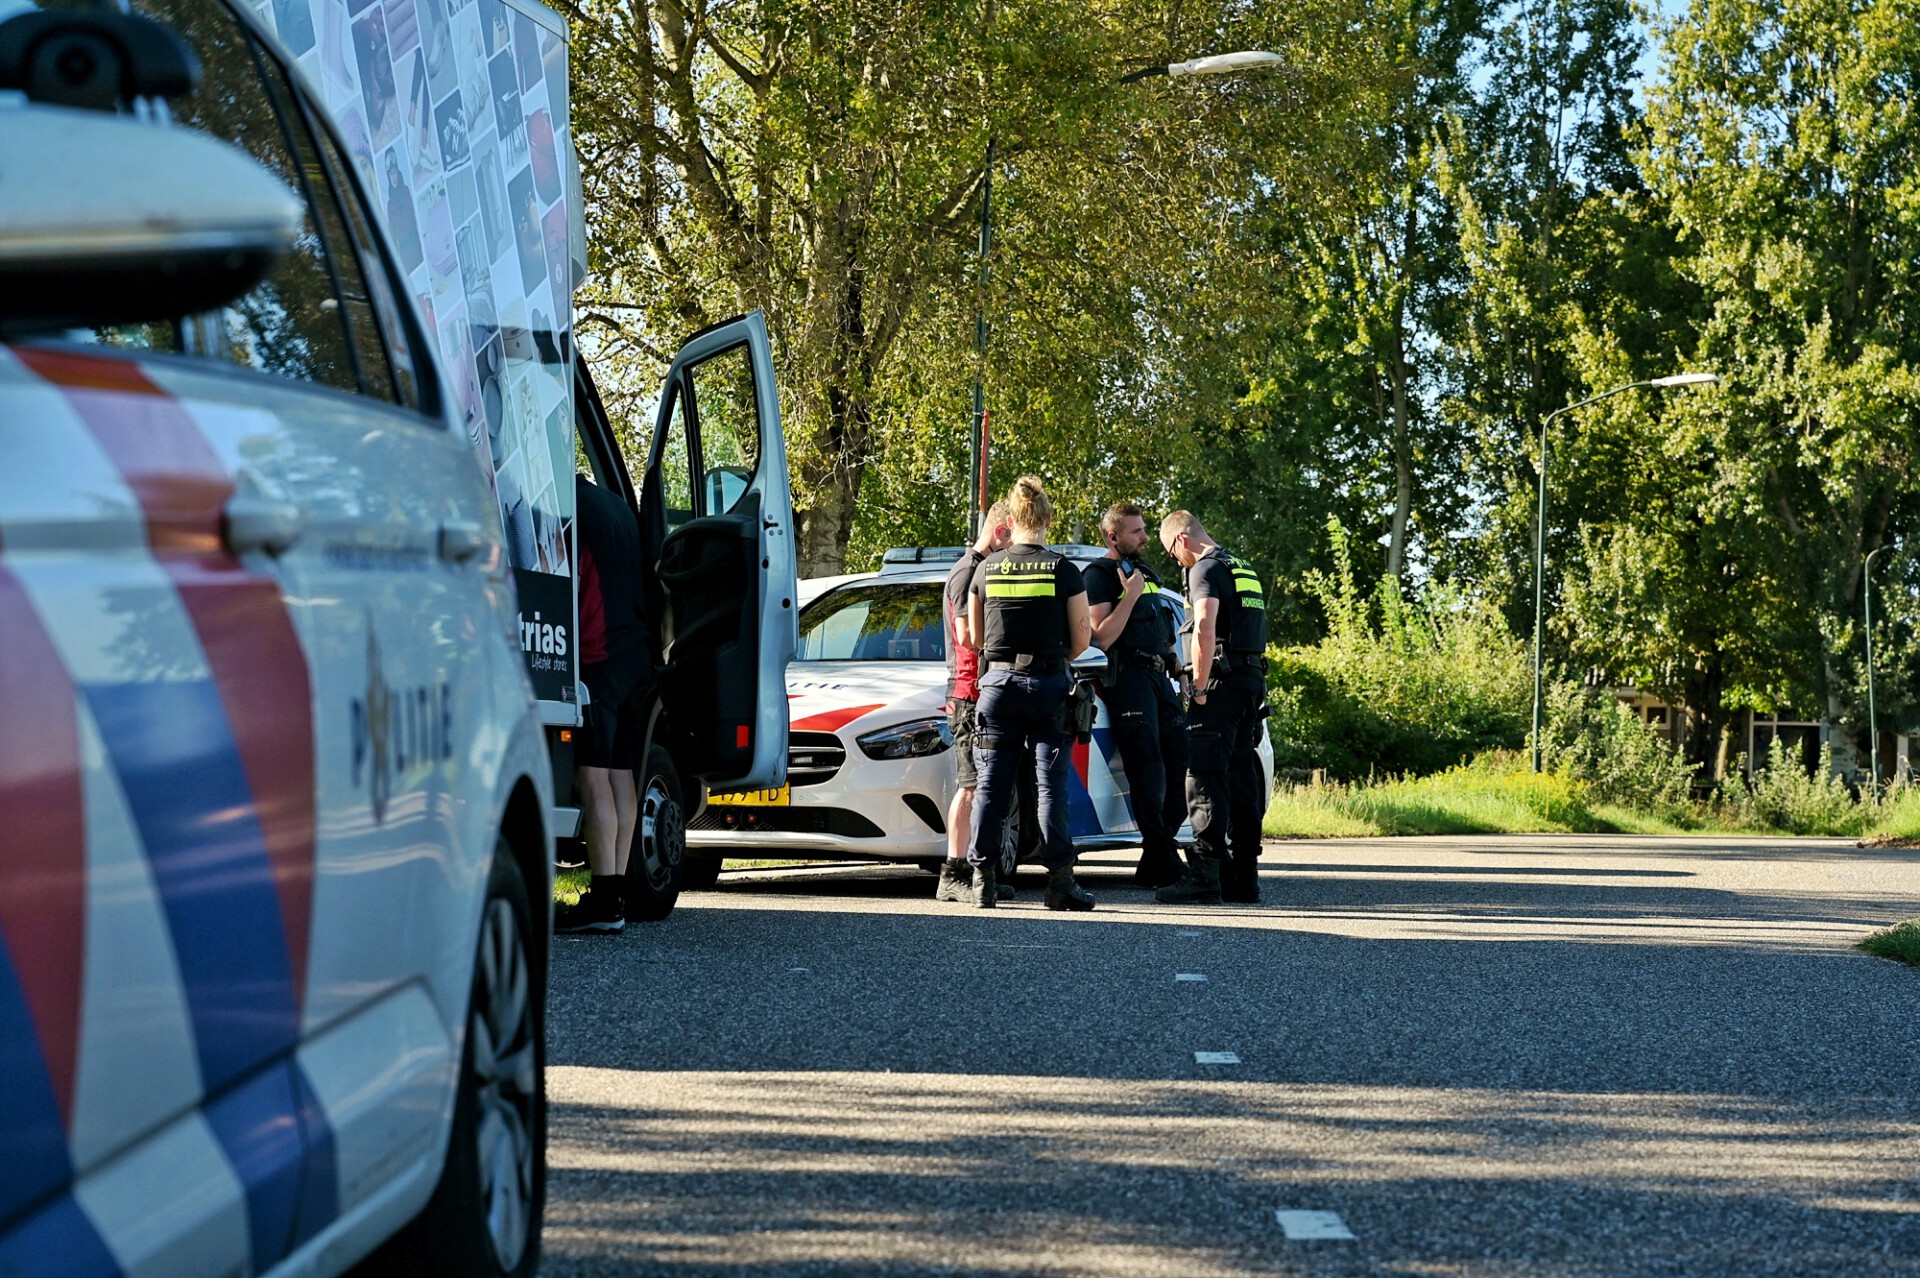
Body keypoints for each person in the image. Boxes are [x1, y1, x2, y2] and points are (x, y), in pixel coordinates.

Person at [964, 477, 1096, 911]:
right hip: (1046, 687)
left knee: (991, 787)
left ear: (1010, 521)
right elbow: (1081, 641)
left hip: (997, 689)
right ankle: (1060, 883)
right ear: (1048, 520)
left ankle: (982, 881)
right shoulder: (1063, 569)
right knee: (1050, 788)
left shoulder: (986, 569)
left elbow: (975, 638)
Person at [1156, 510, 1269, 905]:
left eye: (1172, 554)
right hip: (1251, 681)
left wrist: (1199, 688)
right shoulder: (1241, 565)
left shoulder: (1203, 569)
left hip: (1221, 684)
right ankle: (1245, 876)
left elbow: (1204, 626)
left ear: (1181, 541)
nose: (1176, 562)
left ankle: (1205, 873)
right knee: (1241, 779)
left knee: (1202, 776)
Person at [556, 474, 652, 933]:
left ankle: (605, 900)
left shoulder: (568, 510)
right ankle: (615, 894)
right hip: (636, 655)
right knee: (620, 776)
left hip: (597, 658)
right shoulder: (617, 508)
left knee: (591, 777)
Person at [1082, 502, 1190, 888]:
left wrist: (1178, 666)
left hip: (1161, 679)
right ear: (1113, 537)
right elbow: (1102, 637)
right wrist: (1128, 597)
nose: (1145, 537)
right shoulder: (1097, 576)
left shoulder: (1146, 572)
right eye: (1136, 532)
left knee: (1180, 763)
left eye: (1144, 530)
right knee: (1148, 773)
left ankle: (1155, 857)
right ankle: (1164, 858)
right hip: (1127, 680)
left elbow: (1163, 630)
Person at [935, 501, 1016, 903]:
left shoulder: (976, 568)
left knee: (982, 785)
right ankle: (953, 872)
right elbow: (968, 635)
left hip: (975, 688)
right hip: (968, 692)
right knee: (969, 787)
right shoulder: (969, 571)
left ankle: (976, 868)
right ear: (1001, 532)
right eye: (1013, 540)